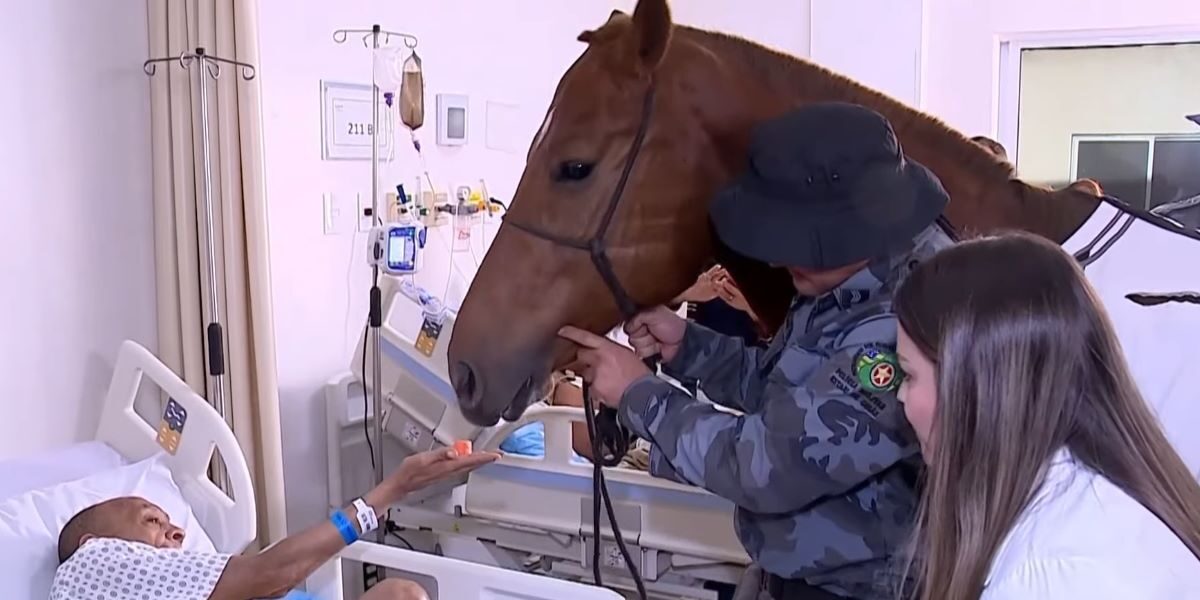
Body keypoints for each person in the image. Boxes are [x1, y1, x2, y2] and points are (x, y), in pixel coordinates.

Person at [558, 102, 956, 599]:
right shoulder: (843, 282)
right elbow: (784, 392)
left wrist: (639, 392)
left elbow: (767, 465)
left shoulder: (906, 318)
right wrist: (688, 348)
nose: (774, 256)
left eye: (791, 240)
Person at [892, 231, 1200, 599]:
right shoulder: (1089, 501)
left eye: (909, 375)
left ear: (973, 387)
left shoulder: (1054, 579)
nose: (900, 395)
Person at [51, 447, 499, 600]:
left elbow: (269, 580)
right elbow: (269, 571)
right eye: (151, 519)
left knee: (401, 595)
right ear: (94, 540)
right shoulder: (92, 562)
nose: (177, 531)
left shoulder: (166, 586)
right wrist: (389, 493)